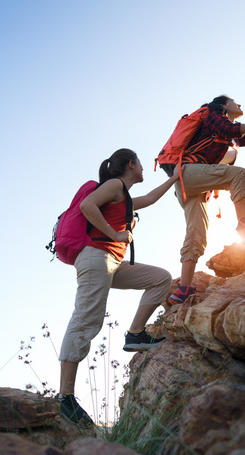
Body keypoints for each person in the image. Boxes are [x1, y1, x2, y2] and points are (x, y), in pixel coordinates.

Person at [58, 148, 179, 426]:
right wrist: (114, 234)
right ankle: (65, 397)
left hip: (111, 262)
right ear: (131, 164)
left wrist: (174, 179)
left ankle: (135, 334)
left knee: (160, 278)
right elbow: (87, 206)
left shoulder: (123, 197)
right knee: (86, 319)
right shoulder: (114, 185)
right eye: (140, 163)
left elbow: (148, 199)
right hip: (96, 257)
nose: (144, 168)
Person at [168, 96, 245, 305]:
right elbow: (231, 132)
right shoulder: (213, 114)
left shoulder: (222, 128)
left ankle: (183, 290)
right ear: (225, 105)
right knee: (237, 175)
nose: (240, 105)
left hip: (186, 183)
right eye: (235, 102)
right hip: (188, 172)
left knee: (196, 234)